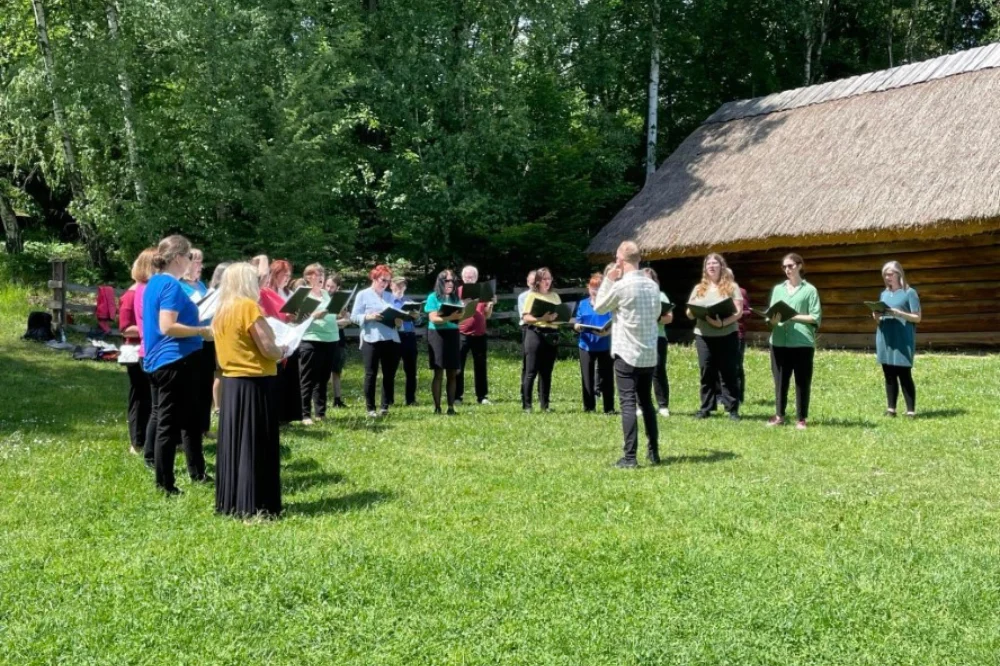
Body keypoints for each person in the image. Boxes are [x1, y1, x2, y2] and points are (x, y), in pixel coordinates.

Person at [212, 263, 285, 518]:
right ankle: (255, 505)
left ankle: (231, 502)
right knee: (255, 444)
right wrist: (283, 349)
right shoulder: (248, 307)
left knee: (235, 445)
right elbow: (267, 347)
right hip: (254, 382)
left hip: (231, 383)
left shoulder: (221, 310)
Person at [143, 235, 212, 494]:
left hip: (162, 360)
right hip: (174, 361)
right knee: (168, 425)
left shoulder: (155, 282)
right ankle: (165, 484)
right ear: (178, 258)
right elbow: (167, 325)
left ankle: (189, 473)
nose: (191, 261)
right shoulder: (171, 286)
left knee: (171, 421)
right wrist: (200, 331)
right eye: (189, 257)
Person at [594, 241, 661, 468]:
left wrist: (608, 280)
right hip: (648, 352)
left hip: (626, 351)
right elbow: (657, 313)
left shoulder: (621, 285)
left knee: (628, 403)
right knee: (647, 403)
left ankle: (630, 457)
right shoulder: (653, 286)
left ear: (620, 261)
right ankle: (654, 452)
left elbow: (600, 307)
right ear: (639, 259)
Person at [765, 253, 822, 430]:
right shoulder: (778, 289)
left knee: (802, 381)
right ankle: (779, 415)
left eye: (790, 266)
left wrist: (794, 316)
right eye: (784, 267)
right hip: (779, 341)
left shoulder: (810, 290)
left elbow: (815, 317)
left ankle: (801, 418)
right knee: (780, 380)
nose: (787, 270)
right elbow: (772, 314)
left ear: (799, 266)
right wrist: (772, 321)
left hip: (802, 342)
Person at [686, 253, 744, 420]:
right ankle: (706, 407)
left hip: (727, 334)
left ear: (721, 267)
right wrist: (692, 310)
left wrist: (722, 324)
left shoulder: (732, 286)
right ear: (705, 268)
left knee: (728, 372)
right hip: (703, 335)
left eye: (714, 263)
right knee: (706, 370)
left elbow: (738, 312)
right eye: (708, 264)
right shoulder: (699, 288)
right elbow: (689, 313)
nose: (711, 266)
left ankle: (732, 409)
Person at [119, 248, 156, 455]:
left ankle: (148, 438)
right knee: (139, 397)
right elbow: (125, 327)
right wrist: (148, 329)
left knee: (150, 397)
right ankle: (137, 441)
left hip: (149, 349)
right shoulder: (131, 295)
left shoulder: (149, 292)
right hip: (135, 351)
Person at [350, 264, 402, 417]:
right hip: (371, 338)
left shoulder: (390, 296)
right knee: (371, 373)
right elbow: (354, 316)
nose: (385, 283)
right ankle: (370, 408)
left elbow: (395, 316)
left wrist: (399, 321)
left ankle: (385, 406)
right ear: (374, 277)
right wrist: (369, 317)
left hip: (390, 338)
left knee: (389, 374)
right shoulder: (363, 294)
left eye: (387, 281)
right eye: (382, 280)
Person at [874, 261, 921, 417]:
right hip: (885, 336)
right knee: (888, 373)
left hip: (902, 338)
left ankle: (910, 411)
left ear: (899, 274)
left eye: (890, 274)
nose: (887, 277)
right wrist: (876, 316)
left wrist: (899, 313)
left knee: (904, 374)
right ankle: (891, 409)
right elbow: (881, 317)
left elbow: (917, 317)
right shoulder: (884, 294)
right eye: (885, 275)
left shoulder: (910, 293)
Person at [260, 259, 303, 424]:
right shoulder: (266, 292)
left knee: (290, 378)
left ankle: (288, 415)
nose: (287, 278)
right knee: (277, 378)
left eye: (289, 275)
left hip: (290, 336)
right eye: (284, 275)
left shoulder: (288, 293)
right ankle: (276, 415)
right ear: (275, 274)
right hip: (275, 336)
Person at [178, 248, 215, 436]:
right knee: (191, 386)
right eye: (197, 261)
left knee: (205, 384)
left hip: (207, 339)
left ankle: (204, 426)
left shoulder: (201, 285)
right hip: (190, 339)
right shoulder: (179, 286)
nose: (200, 266)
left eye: (201, 261)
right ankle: (188, 429)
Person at [298, 264, 339, 425]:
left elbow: (333, 313)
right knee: (308, 378)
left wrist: (339, 311)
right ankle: (305, 414)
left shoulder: (326, 294)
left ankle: (320, 412)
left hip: (331, 338)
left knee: (323, 378)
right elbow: (297, 319)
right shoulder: (303, 295)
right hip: (311, 339)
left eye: (322, 273)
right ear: (308, 277)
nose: (321, 276)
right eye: (317, 274)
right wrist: (314, 315)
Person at [521, 267, 562, 412]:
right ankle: (527, 405)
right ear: (538, 281)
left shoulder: (555, 296)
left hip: (552, 334)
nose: (547, 282)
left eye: (549, 278)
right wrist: (541, 318)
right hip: (536, 333)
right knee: (531, 371)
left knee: (546, 372)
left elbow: (561, 315)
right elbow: (526, 317)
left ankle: (545, 405)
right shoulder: (532, 295)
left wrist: (557, 318)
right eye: (544, 279)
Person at [424, 269, 465, 414]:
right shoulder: (433, 297)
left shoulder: (456, 299)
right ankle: (437, 406)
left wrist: (465, 313)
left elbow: (460, 317)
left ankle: (451, 407)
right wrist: (450, 317)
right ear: (441, 282)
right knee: (438, 372)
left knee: (452, 372)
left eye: (453, 280)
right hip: (437, 335)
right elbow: (434, 318)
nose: (451, 283)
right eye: (447, 280)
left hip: (453, 334)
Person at [574, 273, 614, 414]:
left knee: (607, 377)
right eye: (593, 287)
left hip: (605, 344)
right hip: (586, 345)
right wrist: (577, 326)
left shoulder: (608, 304)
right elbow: (577, 321)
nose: (595, 290)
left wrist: (607, 332)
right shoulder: (583, 303)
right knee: (587, 376)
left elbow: (614, 323)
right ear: (588, 287)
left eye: (598, 288)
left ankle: (609, 408)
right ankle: (589, 407)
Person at [456, 265, 494, 405]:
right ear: (463, 278)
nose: (469, 278)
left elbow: (487, 315)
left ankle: (482, 396)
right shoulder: (458, 291)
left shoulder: (482, 291)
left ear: (476, 278)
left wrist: (490, 306)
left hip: (480, 334)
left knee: (481, 366)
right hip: (461, 333)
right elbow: (454, 312)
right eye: (466, 276)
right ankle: (457, 396)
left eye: (471, 276)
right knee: (459, 366)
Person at [641, 267, 672, 417]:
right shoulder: (637, 296)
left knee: (658, 370)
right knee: (640, 371)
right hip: (640, 337)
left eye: (650, 279)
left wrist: (656, 318)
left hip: (658, 337)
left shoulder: (661, 296)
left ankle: (663, 405)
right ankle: (641, 405)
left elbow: (669, 317)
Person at [390, 276, 421, 406]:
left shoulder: (409, 301)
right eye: (397, 286)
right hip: (394, 336)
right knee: (390, 369)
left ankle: (410, 399)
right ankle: (389, 400)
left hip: (409, 336)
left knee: (411, 369)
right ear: (391, 286)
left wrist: (417, 317)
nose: (399, 289)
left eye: (402, 286)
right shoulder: (387, 302)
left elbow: (418, 322)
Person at [325, 273, 352, 408]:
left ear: (338, 287)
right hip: (323, 338)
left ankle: (337, 399)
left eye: (332, 286)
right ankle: (320, 399)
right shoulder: (320, 299)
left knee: (336, 370)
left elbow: (346, 320)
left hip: (338, 338)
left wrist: (337, 321)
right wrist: (337, 321)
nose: (329, 289)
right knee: (322, 371)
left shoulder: (341, 300)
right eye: (327, 286)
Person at [518, 270, 537, 397]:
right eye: (531, 281)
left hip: (543, 329)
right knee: (527, 362)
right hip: (528, 329)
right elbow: (524, 315)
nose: (533, 283)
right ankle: (524, 391)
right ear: (528, 282)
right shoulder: (523, 297)